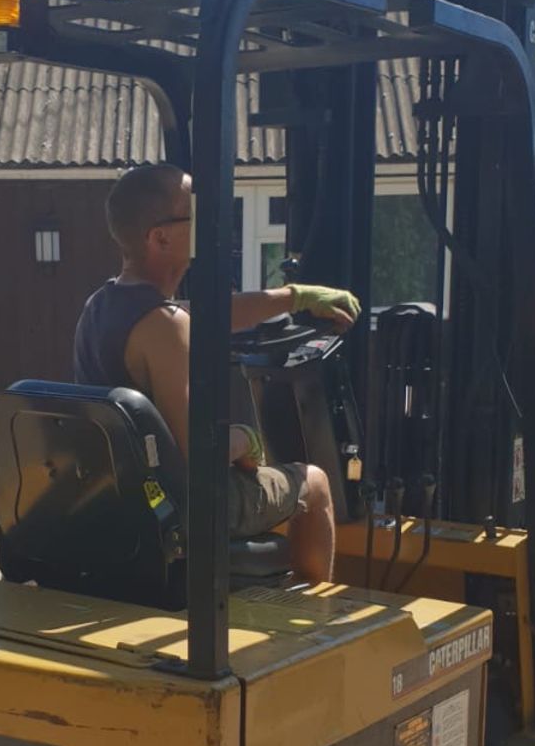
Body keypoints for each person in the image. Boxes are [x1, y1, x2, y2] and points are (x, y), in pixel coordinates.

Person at [74, 162, 360, 584]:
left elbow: (213, 315)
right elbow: (199, 452)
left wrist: (296, 297)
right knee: (314, 484)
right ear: (161, 237)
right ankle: (313, 632)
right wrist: (246, 438)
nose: (210, 222)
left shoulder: (102, 306)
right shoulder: (165, 327)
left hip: (122, 498)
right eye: (195, 212)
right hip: (180, 507)